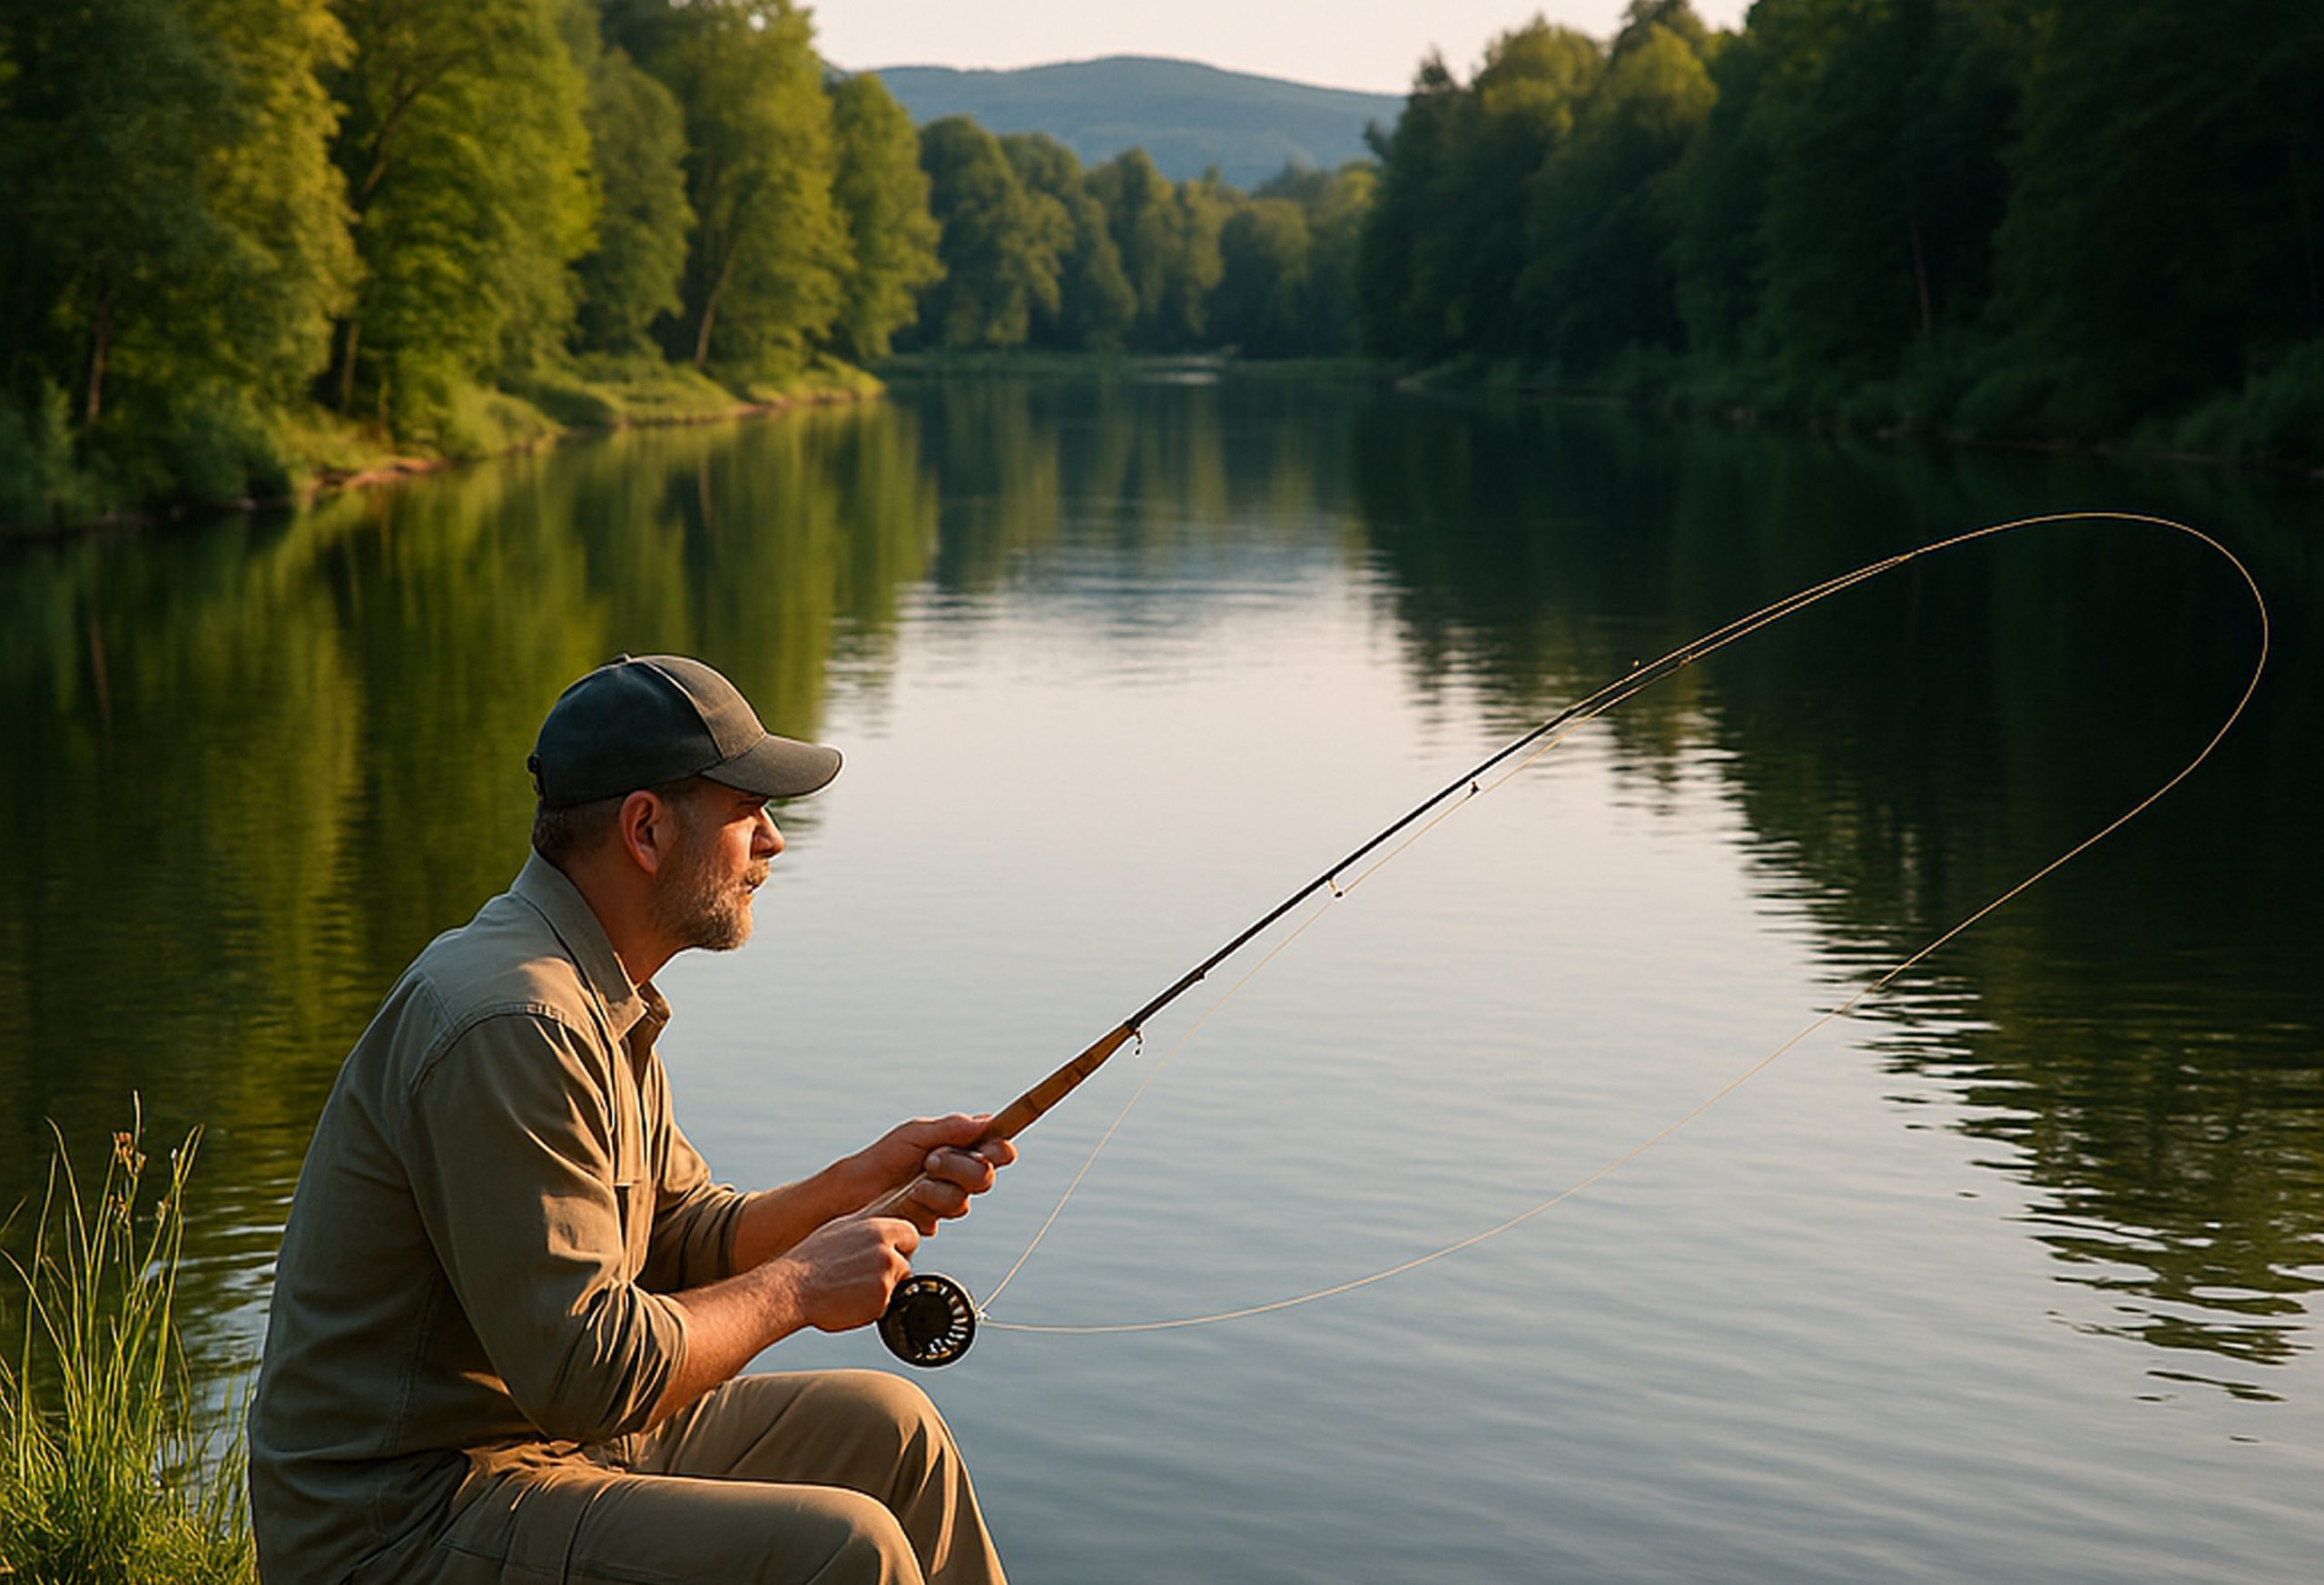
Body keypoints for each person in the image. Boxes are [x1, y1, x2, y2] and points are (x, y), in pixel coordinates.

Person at [250, 654, 1015, 1585]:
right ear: (645, 828)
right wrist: (801, 1290)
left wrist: (857, 1187)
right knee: (841, 1552)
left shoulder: (596, 994)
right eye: (746, 811)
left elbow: (685, 1237)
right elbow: (591, 1376)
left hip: (537, 1457)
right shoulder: (516, 1021)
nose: (772, 842)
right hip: (402, 1526)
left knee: (890, 1434)